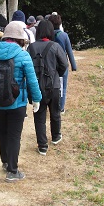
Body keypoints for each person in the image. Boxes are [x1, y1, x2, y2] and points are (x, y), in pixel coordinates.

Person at [0, 21, 42, 181]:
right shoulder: (23, 55)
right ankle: (13, 171)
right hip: (17, 103)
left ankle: (5, 162)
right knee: (14, 135)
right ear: (20, 38)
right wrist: (36, 99)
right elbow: (32, 80)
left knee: (2, 132)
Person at [28, 19, 68, 155]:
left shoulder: (31, 47)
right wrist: (57, 74)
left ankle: (42, 145)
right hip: (54, 85)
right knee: (55, 112)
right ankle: (56, 136)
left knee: (39, 115)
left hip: (37, 86)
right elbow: (64, 65)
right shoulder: (55, 46)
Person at [49, 14, 77, 114]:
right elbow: (69, 51)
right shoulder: (64, 35)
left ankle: (51, 104)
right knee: (62, 86)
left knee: (50, 85)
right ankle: (61, 107)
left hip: (51, 63)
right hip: (62, 63)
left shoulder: (49, 35)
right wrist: (74, 65)